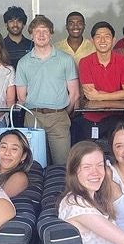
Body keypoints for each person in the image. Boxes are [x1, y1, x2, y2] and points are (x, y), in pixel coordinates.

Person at [15, 15, 79, 165]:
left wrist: (63, 112)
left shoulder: (65, 59)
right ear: (31, 35)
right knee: (34, 165)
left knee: (62, 165)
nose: (41, 35)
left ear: (51, 34)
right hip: (33, 117)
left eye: (45, 31)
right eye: (37, 31)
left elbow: (74, 94)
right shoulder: (23, 62)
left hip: (59, 117)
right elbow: (21, 97)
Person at [78, 21, 124, 141]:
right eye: (98, 37)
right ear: (92, 41)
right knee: (93, 150)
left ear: (113, 40)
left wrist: (100, 95)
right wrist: (118, 95)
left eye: (107, 36)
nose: (103, 40)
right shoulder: (85, 62)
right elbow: (91, 95)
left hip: (118, 117)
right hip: (92, 118)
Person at [0, 129, 33, 198]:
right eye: (3, 147)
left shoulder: (19, 177)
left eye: (14, 149)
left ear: (23, 156)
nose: (7, 153)